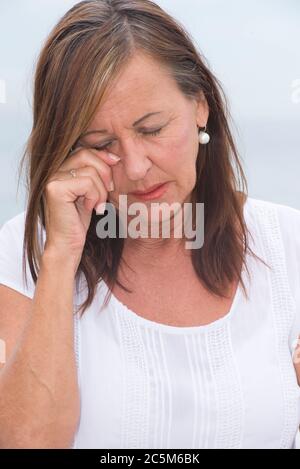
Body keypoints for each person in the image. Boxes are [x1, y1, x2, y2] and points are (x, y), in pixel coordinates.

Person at [0, 0, 299, 449]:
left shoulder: (286, 242)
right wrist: (62, 253)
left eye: (153, 129)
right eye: (101, 144)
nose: (137, 167)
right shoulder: (29, 251)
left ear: (200, 106)